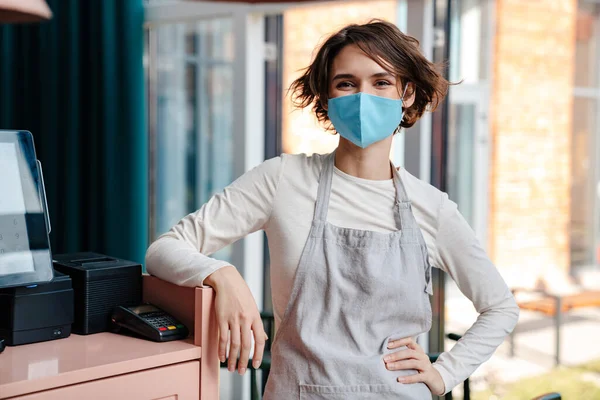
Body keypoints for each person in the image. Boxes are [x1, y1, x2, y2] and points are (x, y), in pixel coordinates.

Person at [146, 19, 519, 399]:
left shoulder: (432, 207)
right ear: (327, 98)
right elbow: (163, 250)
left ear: (406, 94)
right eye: (346, 83)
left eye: (380, 82)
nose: (362, 96)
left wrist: (444, 374)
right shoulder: (282, 180)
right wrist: (220, 274)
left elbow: (501, 307)